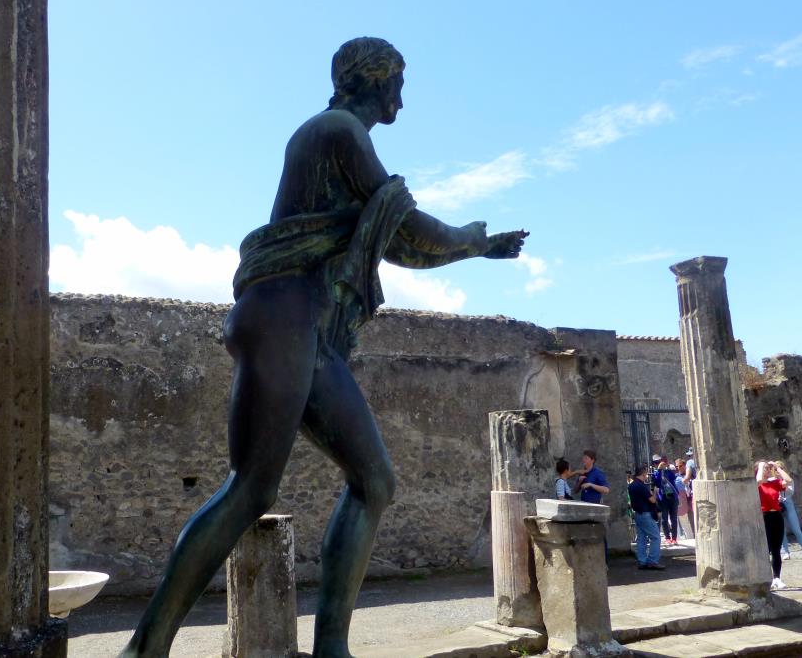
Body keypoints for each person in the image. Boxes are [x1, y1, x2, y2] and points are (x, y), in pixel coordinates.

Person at [120, 38, 529, 658]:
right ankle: (143, 650)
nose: (402, 96)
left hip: (305, 328)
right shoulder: (337, 130)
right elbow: (412, 229)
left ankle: (331, 647)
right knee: (251, 490)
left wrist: (477, 248)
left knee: (375, 480)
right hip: (281, 315)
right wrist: (471, 240)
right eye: (398, 80)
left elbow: (398, 244)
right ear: (370, 77)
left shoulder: (341, 140)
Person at [757, 459, 791, 590]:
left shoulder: (774, 483)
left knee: (776, 549)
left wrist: (777, 468)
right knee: (766, 549)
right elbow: (759, 480)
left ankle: (776, 577)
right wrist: (761, 466)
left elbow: (788, 481)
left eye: (767, 468)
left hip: (776, 515)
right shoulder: (758, 483)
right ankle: (765, 578)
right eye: (765, 468)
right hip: (764, 516)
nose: (767, 470)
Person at [777, 460, 802, 560]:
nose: (778, 472)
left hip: (788, 505)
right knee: (781, 531)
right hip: (777, 506)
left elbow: (790, 492)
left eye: (780, 469)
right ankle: (785, 552)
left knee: (796, 529)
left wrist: (782, 486)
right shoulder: (773, 481)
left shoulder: (789, 480)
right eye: (776, 470)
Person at [629, 464, 664, 570]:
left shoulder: (631, 485)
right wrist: (654, 493)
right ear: (643, 474)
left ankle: (642, 561)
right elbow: (652, 500)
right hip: (645, 514)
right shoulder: (640, 486)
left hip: (638, 514)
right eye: (646, 474)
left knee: (641, 538)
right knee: (655, 537)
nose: (647, 476)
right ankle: (652, 561)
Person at [652, 455, 679, 546]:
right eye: (656, 463)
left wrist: (666, 467)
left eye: (659, 462)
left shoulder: (669, 471)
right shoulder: (656, 473)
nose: (658, 464)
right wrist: (660, 471)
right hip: (663, 498)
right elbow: (658, 484)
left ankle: (674, 538)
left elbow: (673, 478)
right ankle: (667, 538)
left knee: (674, 518)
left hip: (672, 497)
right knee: (664, 518)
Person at [673, 458, 692, 539]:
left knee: (686, 525)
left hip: (687, 504)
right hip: (683, 505)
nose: (678, 468)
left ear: (684, 465)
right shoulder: (678, 478)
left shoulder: (681, 478)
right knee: (681, 525)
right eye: (676, 467)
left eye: (680, 466)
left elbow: (688, 490)